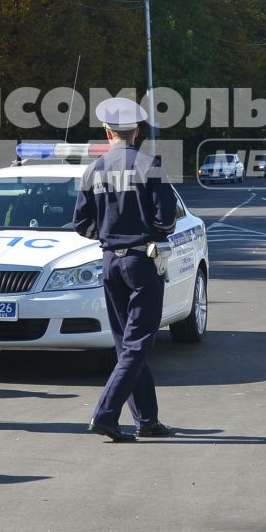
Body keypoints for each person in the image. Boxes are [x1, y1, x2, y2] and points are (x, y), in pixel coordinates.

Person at [72, 96, 179, 442]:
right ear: (138, 131)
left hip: (110, 263)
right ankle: (105, 414)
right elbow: (165, 222)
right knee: (138, 344)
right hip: (141, 263)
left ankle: (147, 419)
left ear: (107, 131)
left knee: (127, 345)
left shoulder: (93, 169)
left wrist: (106, 233)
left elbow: (80, 223)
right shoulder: (151, 165)